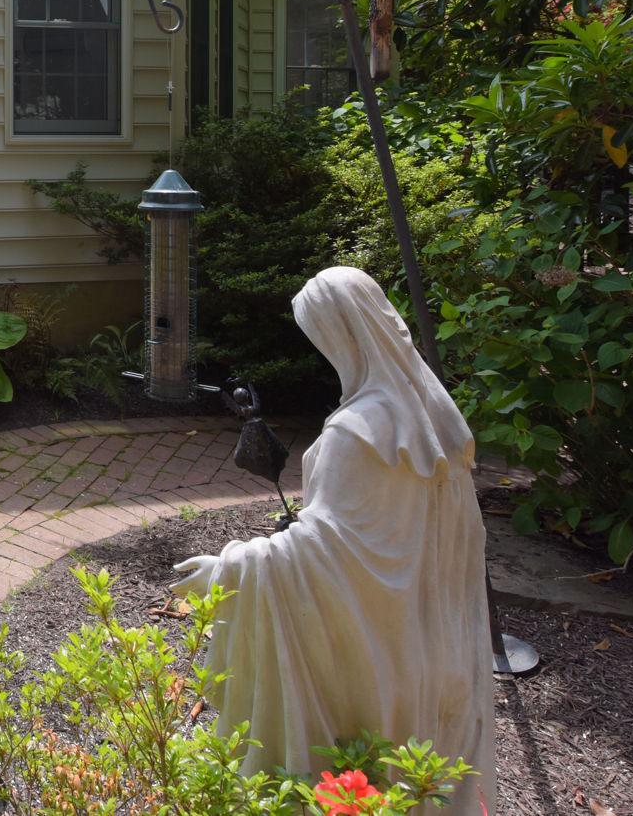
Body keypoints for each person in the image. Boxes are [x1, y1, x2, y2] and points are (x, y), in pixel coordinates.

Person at [172, 266, 495, 812]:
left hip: (375, 656)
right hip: (434, 642)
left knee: (366, 775)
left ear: (342, 337)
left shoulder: (356, 432)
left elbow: (327, 551)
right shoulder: (433, 420)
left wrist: (228, 570)